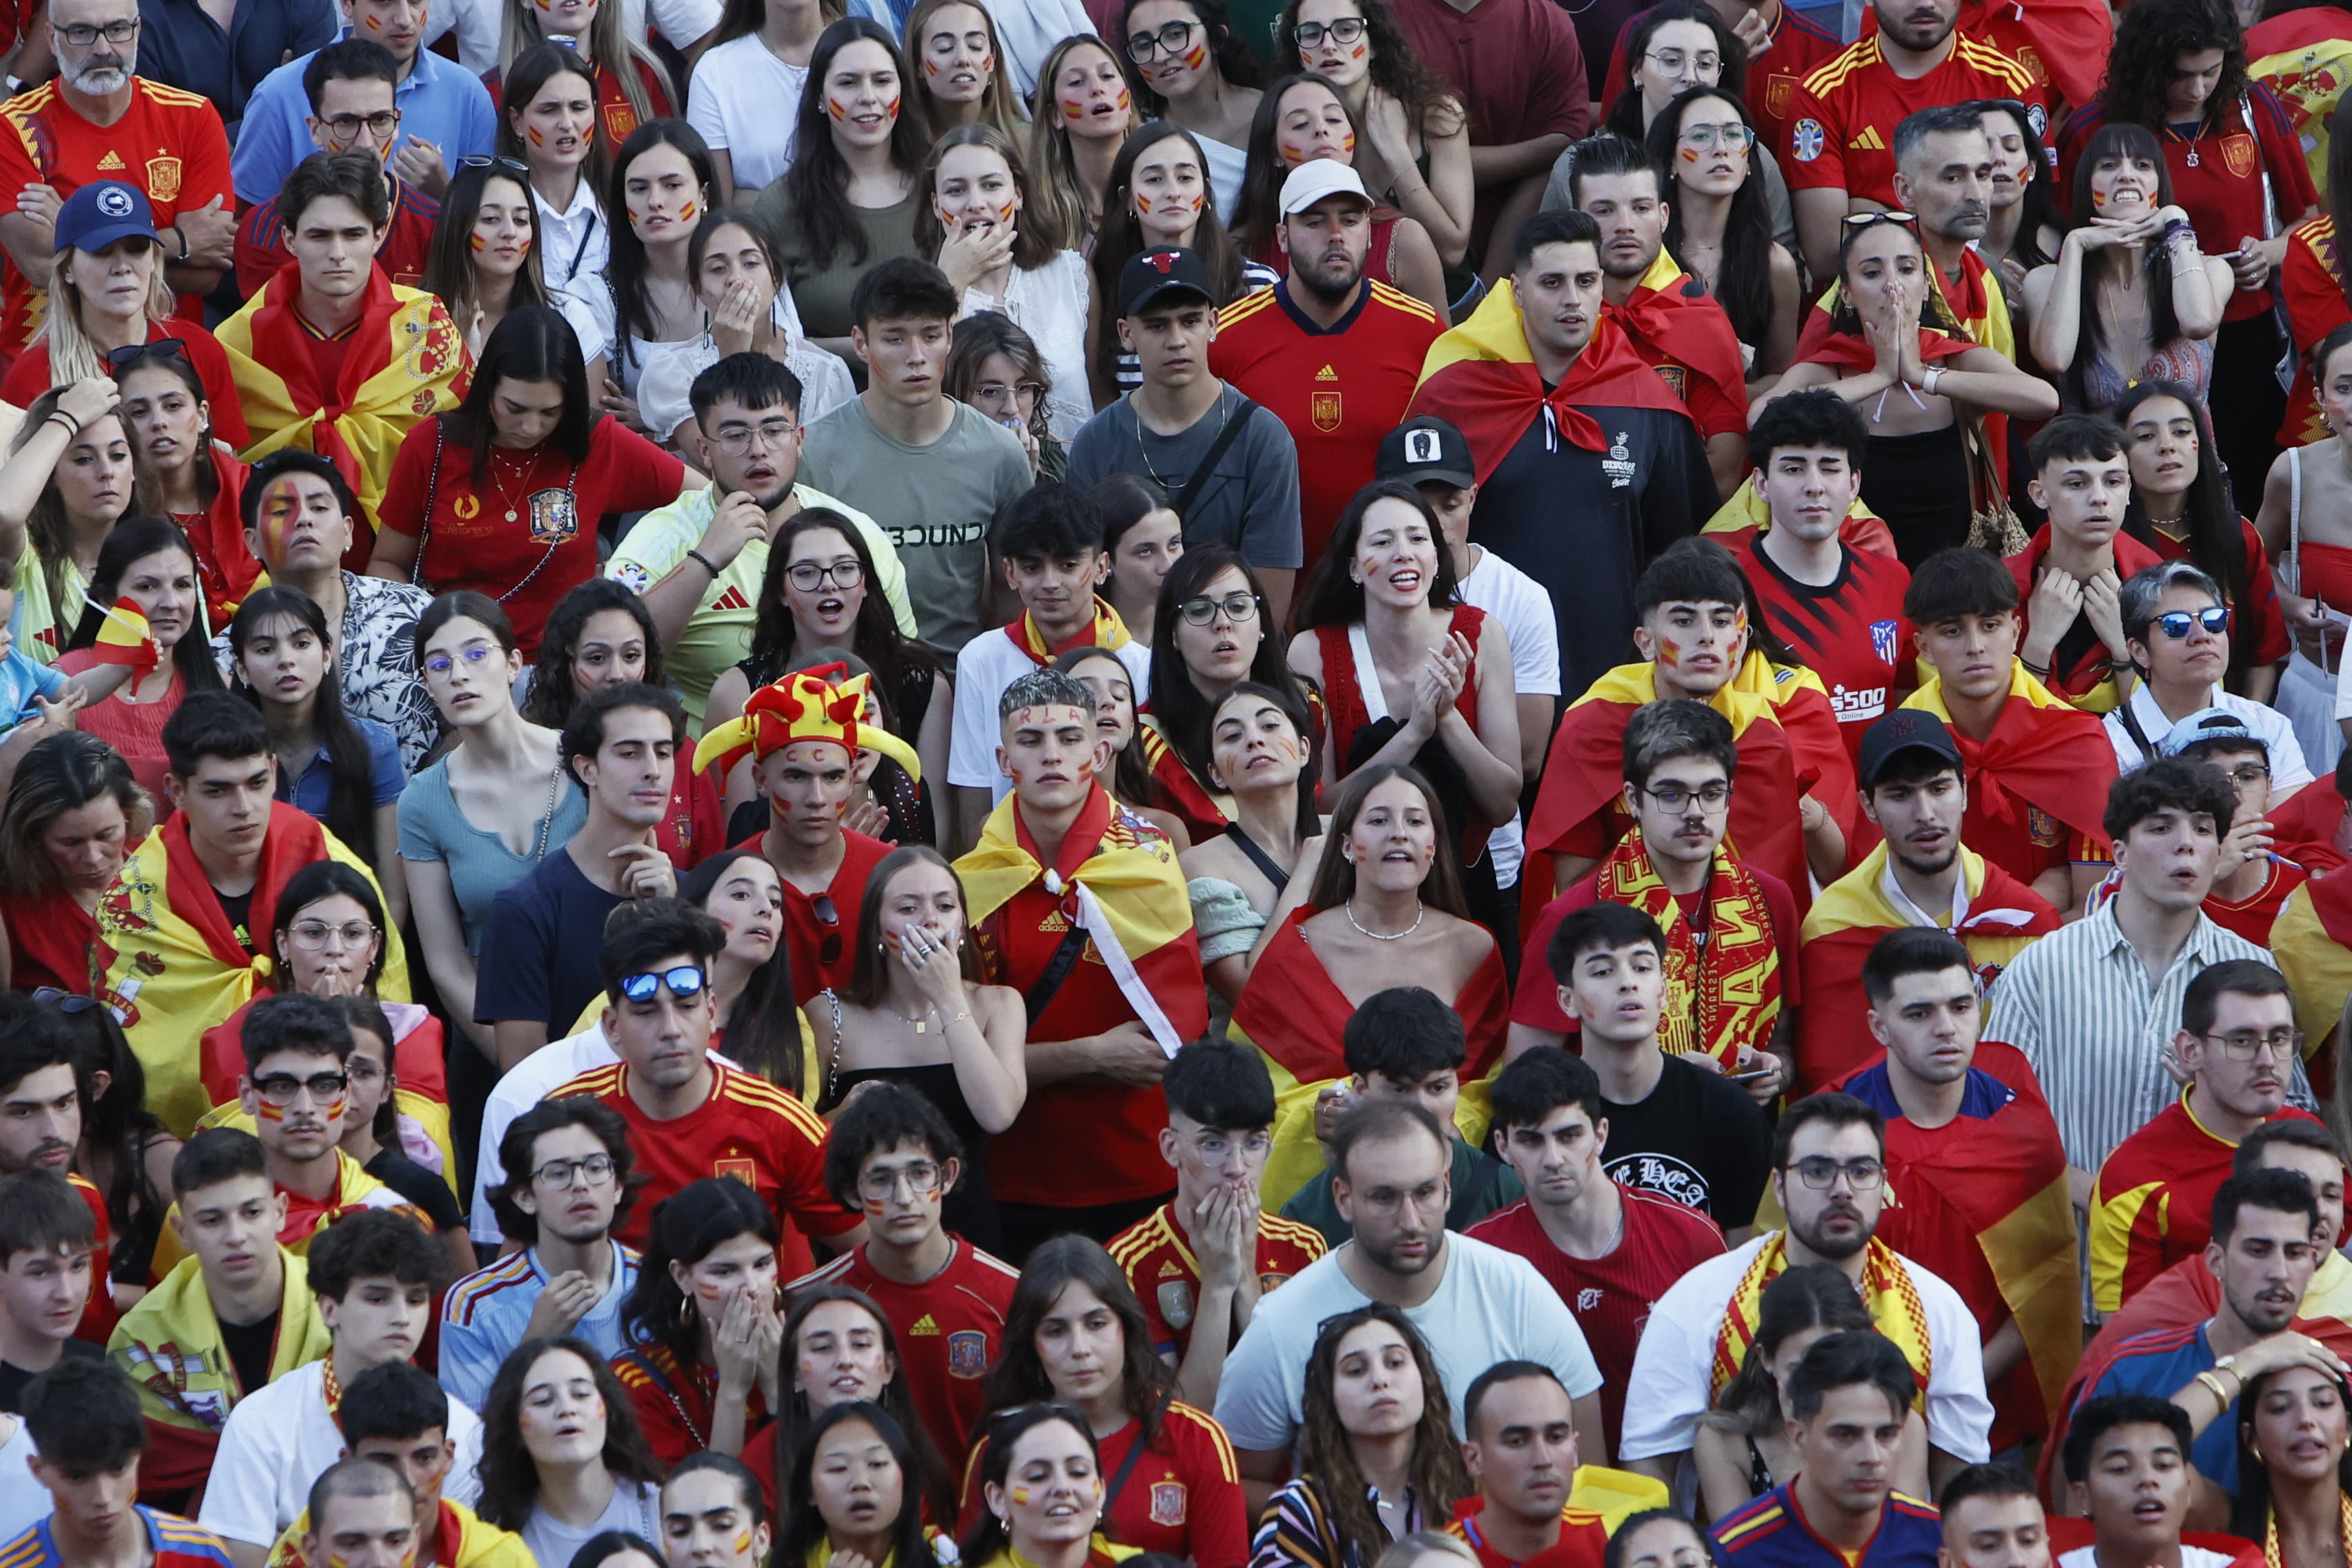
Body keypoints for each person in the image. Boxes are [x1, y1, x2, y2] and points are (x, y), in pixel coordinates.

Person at [1405, 210, 1713, 703]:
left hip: (1612, 676)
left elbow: (1675, 551)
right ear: (1517, 292)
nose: (1572, 299)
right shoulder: (1454, 400)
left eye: (1586, 281)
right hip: (1477, 674)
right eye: (1552, 282)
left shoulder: (1648, 405)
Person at [952, 667, 1208, 1253]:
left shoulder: (1148, 862)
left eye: (1069, 740)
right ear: (1001, 758)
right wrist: (1089, 1056)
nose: (1052, 756)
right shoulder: (971, 883)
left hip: (1141, 1168)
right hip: (1012, 1173)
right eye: (1031, 741)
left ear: (1100, 749)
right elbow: (959, 1057)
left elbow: (1165, 1048)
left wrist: (1024, 1064)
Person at [1618, 1092, 1995, 1489]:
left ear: (1883, 1184)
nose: (1842, 1190)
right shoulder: (1696, 1303)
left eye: (1862, 1171)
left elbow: (1961, 1481)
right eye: (1818, 1170)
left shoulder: (1940, 1310)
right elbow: (1649, 1467)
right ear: (1778, 1186)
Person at [1215, 1099, 1605, 1476]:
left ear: (1447, 1188)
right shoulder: (1282, 1322)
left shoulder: (1515, 1289)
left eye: (1425, 1193)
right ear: (1343, 1199)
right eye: (1384, 1197)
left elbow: (1589, 1469)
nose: (1411, 1220)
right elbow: (1235, 1483)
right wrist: (1336, 1520)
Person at [92, 696, 406, 1136]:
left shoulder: (328, 862)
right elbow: (132, 1048)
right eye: (218, 791)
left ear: (275, 772)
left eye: (257, 783)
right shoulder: (134, 897)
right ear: (176, 791)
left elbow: (389, 1000)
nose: (243, 807)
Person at [1983, 758, 2293, 1193]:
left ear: (2219, 852)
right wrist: (2107, 1204)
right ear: (2120, 853)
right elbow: (1993, 1113)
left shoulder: (2253, 972)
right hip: (2070, 1247)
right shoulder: (2044, 966)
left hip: (2204, 1246)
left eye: (2203, 830)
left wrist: (2223, 1100)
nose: (2186, 844)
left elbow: (2291, 1124)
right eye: (2161, 828)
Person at [2056, 0, 2317, 497]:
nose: (2198, 89)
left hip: (2243, 324)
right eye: (2181, 76)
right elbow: (2062, 226)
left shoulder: (2252, 108)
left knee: (2245, 470)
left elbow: (2307, 218)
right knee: (2134, 477)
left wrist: (2271, 251)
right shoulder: (2098, 128)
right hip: (2133, 330)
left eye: (2211, 72)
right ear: (2147, 67)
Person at [1835, 928, 2077, 1458]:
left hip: (1996, 1416)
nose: (1947, 1029)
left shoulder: (2022, 1125)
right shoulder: (1836, 1130)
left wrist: (1953, 1385)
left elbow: (2046, 1292)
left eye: (1961, 1006)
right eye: (1919, 1014)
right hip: (1863, 1416)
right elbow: (1805, 1278)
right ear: (1880, 1026)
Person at [1230, 765, 1510, 1203]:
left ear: (1433, 846)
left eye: (1416, 822)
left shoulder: (1475, 948)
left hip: (1446, 1198)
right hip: (1317, 1206)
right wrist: (1314, 1120)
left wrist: (1433, 1119)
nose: (1399, 834)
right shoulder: (1296, 947)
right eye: (1378, 821)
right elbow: (1249, 1092)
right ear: (1345, 844)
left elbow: (1488, 1090)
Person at [610, 353, 911, 728]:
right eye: (736, 435)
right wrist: (704, 562)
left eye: (774, 430)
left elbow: (902, 664)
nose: (758, 449)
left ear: (799, 439)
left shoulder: (857, 533)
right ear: (704, 450)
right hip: (710, 760)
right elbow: (613, 651)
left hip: (845, 757)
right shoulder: (665, 535)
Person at [1511, 699, 1801, 1088]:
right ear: (1633, 799)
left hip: (1744, 1134)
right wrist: (1654, 1079)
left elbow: (1783, 1043)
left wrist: (1775, 1073)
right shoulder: (1573, 914)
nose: (1695, 812)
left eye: (1712, 793)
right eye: (1671, 795)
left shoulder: (1771, 899)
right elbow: (1526, 1074)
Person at [551, 899, 863, 1259]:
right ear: (612, 1027)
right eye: (646, 1011)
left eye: (686, 1006)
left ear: (711, 1011)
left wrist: (796, 1309)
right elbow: (517, 1270)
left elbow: (871, 1256)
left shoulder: (780, 1122)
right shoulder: (563, 1121)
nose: (670, 1030)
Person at [367, 309, 683, 662]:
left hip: (565, 668)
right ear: (487, 386)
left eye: (550, 412)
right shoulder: (432, 444)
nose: (531, 427)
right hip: (458, 663)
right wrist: (420, 631)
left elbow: (704, 498)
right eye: (514, 408)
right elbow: (387, 562)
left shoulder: (597, 441)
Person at [1466, 1047, 1727, 1460]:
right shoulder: (1480, 1258)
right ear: (1502, 1145)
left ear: (1601, 1134)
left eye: (1569, 1136)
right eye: (1531, 1140)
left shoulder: (1692, 1238)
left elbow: (1730, 1394)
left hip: (1675, 1495)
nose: (1553, 1159)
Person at [1756, 216, 2059, 569]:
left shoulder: (1955, 358)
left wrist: (1922, 375)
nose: (1892, 286)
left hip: (1955, 585)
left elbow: (2044, 400)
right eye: (1872, 273)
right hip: (1858, 583)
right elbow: (1761, 415)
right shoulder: (1831, 366)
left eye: (1906, 269)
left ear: (1927, 285)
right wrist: (1880, 375)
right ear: (1847, 293)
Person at [1287, 486, 1521, 917]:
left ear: (1436, 558)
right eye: (1382, 542)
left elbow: (1504, 803)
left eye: (1417, 539)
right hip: (1353, 889)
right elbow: (1317, 806)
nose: (1403, 553)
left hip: (1465, 890)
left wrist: (1447, 718)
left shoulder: (1484, 634)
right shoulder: (1311, 652)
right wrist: (1414, 733)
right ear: (1354, 567)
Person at [1794, 714, 2060, 1092]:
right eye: (1900, 795)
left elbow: (2051, 1072)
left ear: (1965, 792)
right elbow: (1832, 1084)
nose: (1925, 814)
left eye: (1939, 788)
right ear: (1868, 807)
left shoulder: (2029, 922)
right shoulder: (1833, 927)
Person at [199, 1208, 477, 1568]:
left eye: (416, 1299)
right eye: (378, 1298)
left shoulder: (463, 1428)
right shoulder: (261, 1420)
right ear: (329, 1309)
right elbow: (237, 1561)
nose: (402, 1317)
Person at [217, 153, 469, 538]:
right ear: (290, 239)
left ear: (378, 236)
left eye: (353, 234)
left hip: (412, 552)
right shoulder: (236, 343)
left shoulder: (427, 328)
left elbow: (463, 451)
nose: (338, 253)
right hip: (271, 558)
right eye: (319, 236)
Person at [960, 1235, 1247, 1565]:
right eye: (1055, 1331)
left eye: (1097, 1324)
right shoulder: (996, 1449)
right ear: (1031, 1345)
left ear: (1126, 1327)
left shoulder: (1199, 1440)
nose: (1080, 1348)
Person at [2068, 1166, 2351, 1501]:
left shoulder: (2336, 1371)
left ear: (2313, 1262)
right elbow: (2078, 1512)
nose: (2279, 1273)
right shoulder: (2130, 1369)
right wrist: (2249, 1362)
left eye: (2295, 1253)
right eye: (2258, 1251)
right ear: (2216, 1260)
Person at [798, 257, 1034, 657]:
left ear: (950, 337)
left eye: (930, 336)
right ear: (860, 343)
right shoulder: (815, 452)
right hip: (849, 688)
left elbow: (1013, 592)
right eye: (894, 338)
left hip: (961, 682)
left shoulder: (999, 453)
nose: (916, 355)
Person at [1213, 161, 1444, 567]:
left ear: (1370, 233)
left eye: (1350, 220)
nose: (1335, 235)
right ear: (1282, 237)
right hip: (1267, 588)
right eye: (1315, 222)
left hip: (1387, 587)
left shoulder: (1420, 330)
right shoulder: (1227, 338)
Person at [1066, 246, 1305, 628]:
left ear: (1213, 323)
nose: (1176, 339)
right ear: (1127, 333)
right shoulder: (1096, 443)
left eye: (1190, 321)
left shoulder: (1263, 439)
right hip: (1122, 663)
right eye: (1158, 325)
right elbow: (1083, 583)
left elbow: (1268, 602)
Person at [104, 1130, 335, 1509]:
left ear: (280, 1212)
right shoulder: (141, 1339)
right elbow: (144, 1476)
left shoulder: (340, 1306)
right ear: (183, 1231)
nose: (236, 1236)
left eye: (252, 1212)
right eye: (212, 1220)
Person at [396, 591, 578, 1066]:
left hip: (602, 1026)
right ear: (428, 685)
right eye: (439, 665)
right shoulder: (421, 800)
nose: (459, 674)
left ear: (515, 663)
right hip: (490, 1041)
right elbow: (447, 965)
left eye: (477, 654)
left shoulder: (583, 762)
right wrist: (521, 1066)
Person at [805, 845, 1023, 1242]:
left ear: (962, 921)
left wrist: (948, 1000)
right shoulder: (828, 1015)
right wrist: (843, 1115)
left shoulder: (999, 1005)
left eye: (944, 906)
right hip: (862, 1237)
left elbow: (998, 1114)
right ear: (875, 927)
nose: (930, 921)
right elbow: (796, 1142)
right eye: (908, 909)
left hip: (972, 1234)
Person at [789, 1084, 1017, 1456]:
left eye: (919, 1173)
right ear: (851, 1193)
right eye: (881, 1180)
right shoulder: (811, 1303)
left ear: (947, 1176)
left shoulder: (1011, 1296)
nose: (904, 1197)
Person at [0, 0, 235, 360]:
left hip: (165, 369)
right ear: (50, 37)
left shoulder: (193, 118)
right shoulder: (13, 127)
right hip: (45, 362)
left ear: (138, 31)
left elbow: (206, 275)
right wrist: (181, 242)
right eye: (81, 32)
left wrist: (69, 230)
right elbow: (37, 265)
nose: (103, 48)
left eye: (117, 29)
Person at [1519, 903, 1774, 1227]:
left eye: (1641, 967)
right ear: (1567, 1000)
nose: (1628, 983)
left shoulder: (1727, 1111)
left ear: (1665, 991)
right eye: (1602, 971)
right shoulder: (1537, 1117)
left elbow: (1747, 1254)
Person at [472, 683, 687, 1066]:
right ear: (587, 768)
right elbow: (525, 1077)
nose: (653, 771)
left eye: (663, 752)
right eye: (630, 753)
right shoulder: (523, 909)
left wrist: (670, 913)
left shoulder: (692, 897)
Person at [1896, 545, 2119, 913]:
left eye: (1990, 626)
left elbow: (2094, 907)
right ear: (1924, 648)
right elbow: (1894, 894)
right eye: (1952, 631)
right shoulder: (1902, 744)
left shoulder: (2077, 739)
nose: (1975, 647)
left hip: (2053, 958)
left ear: (2015, 631)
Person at [2090, 961, 2320, 1315]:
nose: (2267, 1061)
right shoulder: (2134, 1177)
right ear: (2190, 1050)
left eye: (2280, 1038)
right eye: (2242, 1041)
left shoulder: (2313, 1147)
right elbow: (2129, 1348)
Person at [1106, 1041, 1326, 1406]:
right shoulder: (1125, 1262)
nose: (1237, 1168)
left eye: (1254, 1143)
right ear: (1171, 1148)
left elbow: (1296, 1398)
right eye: (1213, 1145)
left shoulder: (1304, 1247)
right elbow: (1183, 1419)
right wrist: (1218, 1287)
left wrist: (1245, 1280)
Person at [1775, 0, 2044, 284]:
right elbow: (1828, 256)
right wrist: (1952, 234)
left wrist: (1870, 212)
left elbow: (2037, 227)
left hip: (1988, 303)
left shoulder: (2011, 84)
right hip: (1865, 313)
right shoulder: (1822, 93)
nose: (1926, 3)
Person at [698, 663, 919, 1002]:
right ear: (760, 780)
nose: (816, 799)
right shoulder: (723, 886)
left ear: (853, 776)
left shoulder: (896, 877)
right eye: (796, 777)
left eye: (832, 777)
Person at [1716, 390, 1912, 764]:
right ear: (1760, 484)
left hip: (1876, 815)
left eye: (1830, 467)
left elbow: (1907, 699)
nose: (1814, 485)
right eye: (1793, 468)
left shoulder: (1893, 581)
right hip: (1777, 814)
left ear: (1854, 484)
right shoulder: (1726, 593)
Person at [948, 484, 1152, 832]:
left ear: (1102, 567)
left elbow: (1145, 787)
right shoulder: (980, 659)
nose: (1050, 582)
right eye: (1032, 567)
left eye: (1069, 565)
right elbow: (974, 789)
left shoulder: (1141, 666)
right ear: (1010, 573)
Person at [1555, 134, 1748, 498]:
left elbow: (1723, 470)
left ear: (1663, 217)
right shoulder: (1540, 319)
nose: (1624, 225)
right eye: (1603, 210)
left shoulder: (1700, 321)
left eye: (1640, 208)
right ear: (1576, 220)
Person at [232, 451, 440, 773]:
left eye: (318, 507)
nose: (304, 519)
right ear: (252, 542)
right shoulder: (229, 655)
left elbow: (466, 719)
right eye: (282, 510)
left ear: (348, 531)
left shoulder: (413, 613)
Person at [0, 183, 244, 455]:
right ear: (67, 268)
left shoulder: (199, 348)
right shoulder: (33, 372)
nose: (122, 267)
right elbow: (16, 487)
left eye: (137, 248)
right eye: (101, 252)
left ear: (154, 259)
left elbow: (232, 467)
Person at [1273, 986, 1522, 1246]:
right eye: (1400, 1089)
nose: (1420, 1107)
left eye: (1438, 1088)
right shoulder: (1308, 1218)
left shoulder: (1509, 1194)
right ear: (1360, 1088)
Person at [441, 1098, 643, 1411]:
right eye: (558, 1173)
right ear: (524, 1196)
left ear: (617, 1186)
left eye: (595, 1168)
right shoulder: (474, 1304)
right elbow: (470, 1443)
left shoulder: (655, 1285)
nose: (581, 1184)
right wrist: (534, 1345)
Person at [227, 588, 406, 927]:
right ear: (242, 669)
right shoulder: (223, 757)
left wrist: (368, 961)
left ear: (327, 656)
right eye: (265, 649)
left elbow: (393, 895)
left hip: (352, 937)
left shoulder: (374, 747)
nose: (285, 660)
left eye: (301, 644)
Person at [516, 583, 723, 874]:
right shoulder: (530, 752)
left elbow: (712, 880)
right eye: (597, 658)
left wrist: (672, 894)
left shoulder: (682, 752)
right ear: (566, 665)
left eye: (631, 656)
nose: (617, 675)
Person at [1694, 1264, 1930, 1520]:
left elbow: (1900, 1544)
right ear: (1767, 1358)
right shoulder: (1724, 1439)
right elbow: (1741, 1550)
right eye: (1800, 1367)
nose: (1818, 1383)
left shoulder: (1900, 1428)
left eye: (1835, 1365)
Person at [750, 20, 927, 359]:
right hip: (824, 400)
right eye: (848, 82)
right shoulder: (780, 206)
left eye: (883, 81)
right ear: (819, 97)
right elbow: (764, 340)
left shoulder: (942, 187)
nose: (868, 97)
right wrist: (870, 350)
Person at [1247, 1305, 1472, 1568]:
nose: (1379, 1380)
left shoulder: (1473, 1489)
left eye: (1395, 1362)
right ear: (1329, 1398)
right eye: (1356, 1370)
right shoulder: (1299, 1509)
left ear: (1425, 1379)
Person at [2023, 126, 2228, 412]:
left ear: (2160, 183)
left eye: (2142, 165)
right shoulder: (2044, 281)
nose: (2126, 175)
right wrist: (2075, 244)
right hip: (2095, 456)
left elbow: (2198, 323)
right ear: (2086, 184)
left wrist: (2177, 220)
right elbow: (2055, 358)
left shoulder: (2209, 271)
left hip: (2185, 457)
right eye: (2109, 165)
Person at [1381, 0, 1586, 279]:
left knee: (1548, 173)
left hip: (1524, 239)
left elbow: (1564, 138)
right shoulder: (1383, 16)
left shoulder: (1545, 20)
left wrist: (1443, 162)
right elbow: (1373, 145)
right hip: (1410, 239)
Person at [2114, 382, 2290, 703]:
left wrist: (2240, 726)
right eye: (2145, 436)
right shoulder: (2107, 544)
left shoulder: (2239, 536)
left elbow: (2263, 658)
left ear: (2200, 444)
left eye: (2181, 432)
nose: (2167, 446)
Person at [231, 0, 499, 209]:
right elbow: (249, 224)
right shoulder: (280, 94)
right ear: (347, 4)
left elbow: (490, 226)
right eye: (384, 2)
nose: (405, 19)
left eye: (416, 2)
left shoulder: (468, 93)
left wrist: (445, 193)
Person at [629, 208, 854, 457]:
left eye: (751, 263)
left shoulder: (826, 372)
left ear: (776, 278)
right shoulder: (671, 373)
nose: (736, 279)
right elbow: (719, 463)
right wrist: (733, 356)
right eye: (717, 269)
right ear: (699, 289)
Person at [917, 128, 1090, 448]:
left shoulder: (1069, 273)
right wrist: (949, 285)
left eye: (992, 186)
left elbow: (1102, 390)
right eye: (956, 190)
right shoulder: (915, 296)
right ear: (935, 204)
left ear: (1019, 195)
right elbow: (918, 400)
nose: (976, 203)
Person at [1278, 0, 1472, 284]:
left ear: (1375, 44)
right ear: (1297, 51)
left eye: (1346, 30)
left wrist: (1396, 153)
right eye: (1310, 33)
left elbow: (1452, 251)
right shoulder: (1291, 130)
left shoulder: (1437, 114)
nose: (1329, 45)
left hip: (1450, 304)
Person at [1710, 1332, 1946, 1567]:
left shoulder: (1943, 1541)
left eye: (1886, 1435)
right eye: (1845, 1435)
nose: (1871, 1457)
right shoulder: (1731, 1554)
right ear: (1799, 1436)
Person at [233, 41, 444, 299]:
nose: (366, 143)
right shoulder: (266, 229)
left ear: (397, 121)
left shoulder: (435, 227)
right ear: (315, 129)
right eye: (346, 122)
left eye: (380, 120)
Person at [1087, 123, 1277, 403]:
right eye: (1154, 180)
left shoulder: (1256, 284)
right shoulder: (1100, 288)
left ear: (1207, 191)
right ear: (1127, 198)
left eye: (1186, 177)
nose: (1173, 192)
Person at [1226, 72, 1446, 311]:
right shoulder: (1242, 247)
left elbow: (1441, 344)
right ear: (1273, 153)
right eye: (1300, 124)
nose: (1321, 129)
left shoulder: (1405, 238)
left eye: (1333, 119)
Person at [1139, 547, 1315, 843]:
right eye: (1199, 610)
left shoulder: (1306, 702)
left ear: (1261, 623)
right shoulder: (1146, 742)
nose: (1222, 623)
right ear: (1172, 634)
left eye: (1238, 606)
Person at [742, 1283, 954, 1525]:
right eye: (823, 1347)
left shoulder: (919, 1460)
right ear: (795, 1374)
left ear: (888, 1367)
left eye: (861, 1344)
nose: (845, 1360)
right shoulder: (762, 1460)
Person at [47, 518, 222, 803]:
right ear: (106, 599)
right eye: (147, 587)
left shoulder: (217, 686)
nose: (171, 602)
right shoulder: (65, 683)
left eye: (183, 585)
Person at [611, 1177, 782, 1466]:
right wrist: (732, 1392)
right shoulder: (638, 1383)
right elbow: (711, 1507)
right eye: (725, 1272)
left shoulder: (817, 1350)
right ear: (682, 1277)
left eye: (762, 1264)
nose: (752, 1287)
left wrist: (779, 1388)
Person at [1999, 416, 2164, 715]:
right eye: (2077, 484)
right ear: (2039, 494)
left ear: (2129, 488)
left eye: (2113, 482)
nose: (2099, 498)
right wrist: (2038, 645)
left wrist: (2122, 644)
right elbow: (1989, 728)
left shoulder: (2164, 589)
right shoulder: (1997, 590)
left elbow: (2173, 726)